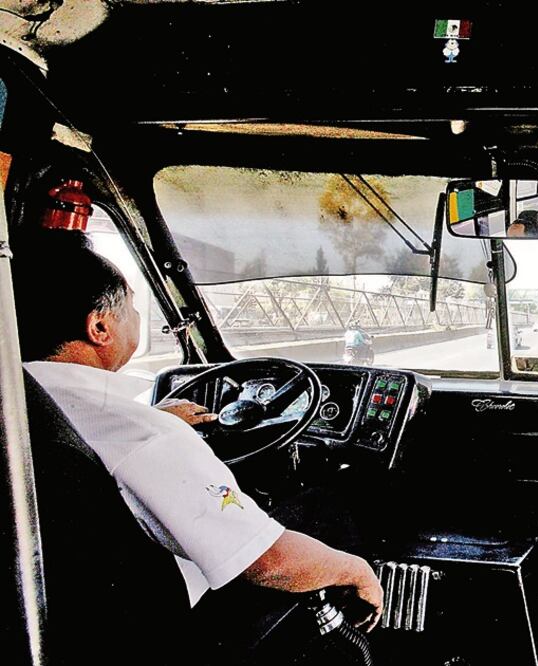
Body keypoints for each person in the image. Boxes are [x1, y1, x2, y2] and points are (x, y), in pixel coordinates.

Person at [11, 233, 384, 638]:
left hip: (75, 615)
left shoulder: (22, 404)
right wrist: (356, 570)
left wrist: (159, 421)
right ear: (100, 327)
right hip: (168, 626)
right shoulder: (147, 435)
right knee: (324, 507)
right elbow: (268, 562)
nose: (136, 315)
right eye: (133, 306)